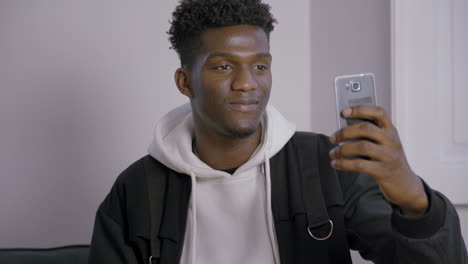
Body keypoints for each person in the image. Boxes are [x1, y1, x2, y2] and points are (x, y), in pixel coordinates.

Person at [88, 0, 467, 263]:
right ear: (185, 81)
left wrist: (416, 203)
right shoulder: (138, 189)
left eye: (260, 66)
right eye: (223, 67)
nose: (247, 84)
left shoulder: (328, 166)